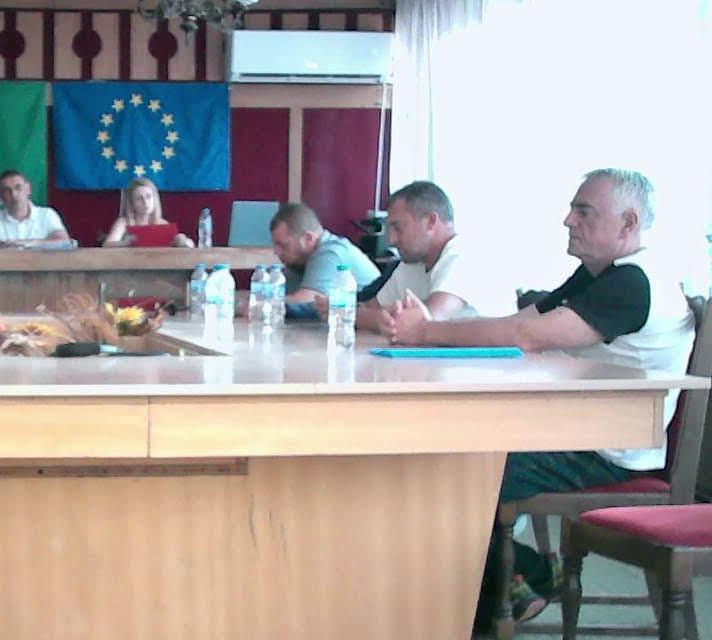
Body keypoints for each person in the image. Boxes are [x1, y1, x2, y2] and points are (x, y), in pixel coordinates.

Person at [383, 169, 696, 628]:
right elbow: (523, 320)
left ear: (628, 223)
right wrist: (434, 331)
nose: (568, 220)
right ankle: (518, 579)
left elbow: (527, 336)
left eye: (583, 211)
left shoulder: (633, 282)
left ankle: (507, 589)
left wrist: (426, 332)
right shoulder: (600, 275)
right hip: (579, 431)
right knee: (442, 455)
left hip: (610, 450)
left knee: (451, 473)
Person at [354, 181, 510, 331]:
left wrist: (378, 319)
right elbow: (361, 310)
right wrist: (378, 318)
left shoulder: (466, 255)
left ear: (430, 221)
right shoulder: (412, 262)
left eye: (398, 228)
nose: (392, 239)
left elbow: (424, 323)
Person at [269, 202, 379, 317]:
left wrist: (262, 303)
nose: (276, 251)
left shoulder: (331, 253)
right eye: (275, 244)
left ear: (308, 238)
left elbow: (307, 299)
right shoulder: (300, 260)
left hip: (367, 324)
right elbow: (281, 293)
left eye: (283, 245)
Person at [0, 169, 70, 248]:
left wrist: (26, 243)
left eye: (18, 188)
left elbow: (64, 242)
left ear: (28, 189)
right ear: (1, 196)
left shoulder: (47, 214)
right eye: (7, 190)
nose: (13, 194)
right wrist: (2, 245)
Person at [102, 178, 194, 248]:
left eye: (149, 197)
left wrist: (183, 240)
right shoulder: (123, 222)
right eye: (139, 198)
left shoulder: (161, 223)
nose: (145, 202)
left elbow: (189, 245)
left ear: (155, 199)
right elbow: (106, 245)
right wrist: (125, 243)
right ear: (132, 203)